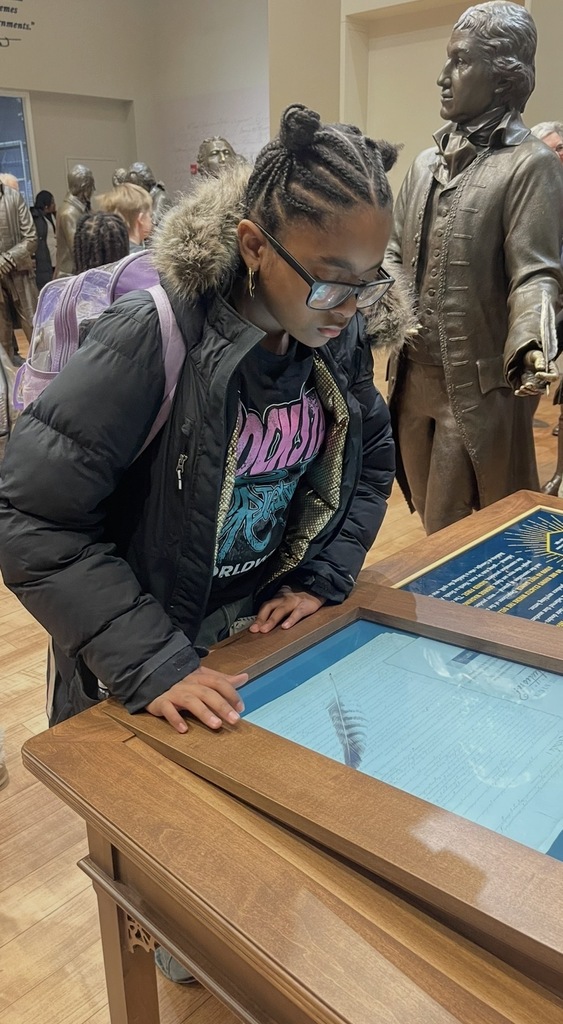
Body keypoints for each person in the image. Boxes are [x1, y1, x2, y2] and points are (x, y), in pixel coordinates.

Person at [0, 103, 407, 741]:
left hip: (256, 639)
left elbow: (372, 455)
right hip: (139, 657)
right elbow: (29, 517)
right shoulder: (151, 336)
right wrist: (146, 658)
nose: (351, 308)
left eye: (368, 281)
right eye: (330, 282)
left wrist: (322, 576)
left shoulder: (336, 335)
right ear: (253, 245)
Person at [386, 1, 563, 536]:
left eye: (460, 62)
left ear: (504, 76)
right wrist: (391, 309)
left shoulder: (528, 163)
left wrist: (532, 340)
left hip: (478, 388)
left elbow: (537, 271)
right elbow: (393, 254)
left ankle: (465, 611)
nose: (443, 77)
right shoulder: (422, 164)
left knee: (454, 524)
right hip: (411, 380)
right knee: (423, 511)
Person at [0, 175, 38, 366]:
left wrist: (6, 259)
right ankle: (5, 390)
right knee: (2, 338)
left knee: (35, 327)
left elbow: (31, 238)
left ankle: (47, 376)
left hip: (20, 273)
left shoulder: (14, 198)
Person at [55, 164, 95, 278]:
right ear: (85, 187)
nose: (93, 191)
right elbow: (78, 250)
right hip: (70, 276)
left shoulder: (83, 209)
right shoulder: (69, 213)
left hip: (78, 274)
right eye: (91, 187)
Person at [98, 183, 153, 251]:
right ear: (141, 219)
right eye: (150, 215)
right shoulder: (144, 258)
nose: (151, 220)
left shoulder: (107, 253)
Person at [126, 161, 170, 226]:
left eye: (136, 185)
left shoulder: (160, 198)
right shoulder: (146, 198)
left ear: (144, 182)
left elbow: (153, 227)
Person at [30, 190, 57, 289]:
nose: (54, 205)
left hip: (54, 260)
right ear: (46, 205)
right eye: (52, 202)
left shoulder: (52, 216)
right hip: (44, 262)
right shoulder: (36, 219)